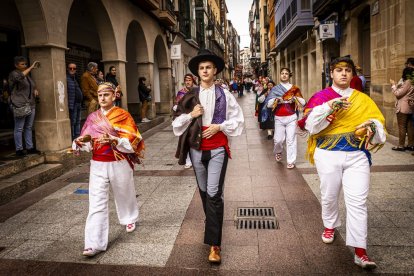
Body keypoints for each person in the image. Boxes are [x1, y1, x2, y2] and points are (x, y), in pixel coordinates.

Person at [298, 57, 386, 269]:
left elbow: (378, 123)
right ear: (331, 73)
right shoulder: (321, 97)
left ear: (353, 75)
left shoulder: (363, 99)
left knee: (358, 201)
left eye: (348, 70)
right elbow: (310, 126)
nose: (344, 74)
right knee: (329, 195)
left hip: (357, 155)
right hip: (328, 154)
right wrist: (329, 108)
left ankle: (360, 251)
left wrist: (372, 127)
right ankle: (329, 225)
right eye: (339, 70)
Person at [172, 49, 244, 264]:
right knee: (204, 191)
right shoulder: (188, 96)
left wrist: (219, 126)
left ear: (215, 71)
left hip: (218, 149)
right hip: (196, 149)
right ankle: (212, 219)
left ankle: (215, 244)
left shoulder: (225, 94)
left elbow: (238, 121)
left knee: (213, 192)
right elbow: (175, 124)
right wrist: (191, 115)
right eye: (201, 68)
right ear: (197, 72)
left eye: (208, 68)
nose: (205, 71)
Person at [73, 82, 144, 257]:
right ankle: (93, 243)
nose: (102, 98)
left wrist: (115, 140)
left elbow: (134, 140)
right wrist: (80, 142)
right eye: (99, 95)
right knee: (96, 202)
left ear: (114, 96)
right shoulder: (92, 118)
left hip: (118, 161)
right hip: (97, 164)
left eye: (106, 95)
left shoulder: (123, 115)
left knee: (124, 192)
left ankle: (129, 218)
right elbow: (86, 144)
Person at [266, 68, 306, 169]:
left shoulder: (294, 89)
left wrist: (295, 98)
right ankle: (278, 151)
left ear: (289, 76)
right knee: (278, 140)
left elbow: (303, 102)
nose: (284, 75)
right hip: (279, 117)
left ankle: (291, 161)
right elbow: (268, 104)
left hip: (291, 117)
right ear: (280, 75)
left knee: (291, 139)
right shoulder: (275, 89)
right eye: (282, 73)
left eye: (286, 74)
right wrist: (276, 100)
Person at [8, 56, 41, 156]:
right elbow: (19, 78)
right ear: (16, 65)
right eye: (22, 64)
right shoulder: (14, 74)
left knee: (28, 127)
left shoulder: (27, 76)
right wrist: (31, 67)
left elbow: (31, 85)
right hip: (20, 104)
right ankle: (19, 149)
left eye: (25, 64)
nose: (24, 65)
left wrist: (35, 89)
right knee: (19, 128)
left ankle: (29, 147)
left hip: (30, 104)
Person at [173, 73, 196, 169]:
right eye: (186, 80)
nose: (187, 82)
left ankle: (196, 159)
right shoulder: (181, 92)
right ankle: (188, 160)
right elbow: (177, 105)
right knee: (184, 140)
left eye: (189, 80)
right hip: (184, 120)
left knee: (194, 139)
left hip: (195, 119)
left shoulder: (197, 91)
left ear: (193, 81)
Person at [390, 67, 414, 151]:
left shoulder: (408, 82)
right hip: (410, 107)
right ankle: (411, 145)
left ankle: (401, 145)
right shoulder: (412, 82)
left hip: (403, 108)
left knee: (402, 126)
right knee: (409, 127)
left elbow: (398, 94)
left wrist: (393, 85)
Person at [66, 63, 83, 140]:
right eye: (70, 68)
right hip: (73, 104)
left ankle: (77, 136)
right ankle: (73, 137)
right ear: (67, 69)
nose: (72, 70)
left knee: (78, 121)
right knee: (73, 121)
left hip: (78, 103)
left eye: (74, 68)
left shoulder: (75, 78)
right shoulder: (66, 78)